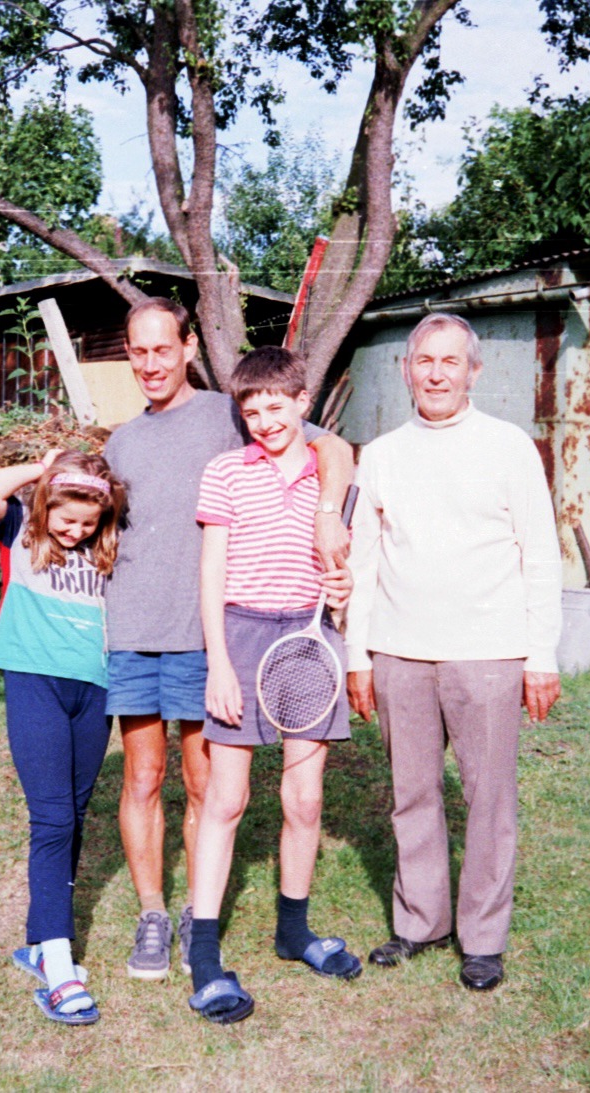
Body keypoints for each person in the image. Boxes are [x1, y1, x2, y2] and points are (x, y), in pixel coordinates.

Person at [103, 299, 352, 981]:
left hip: (266, 637)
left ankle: (261, 925)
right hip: (176, 632)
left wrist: (333, 533)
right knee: (171, 782)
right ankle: (170, 922)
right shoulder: (127, 443)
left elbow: (332, 447)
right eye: (137, 350)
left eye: (162, 348)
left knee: (258, 791)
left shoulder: (226, 412)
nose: (150, 362)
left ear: (186, 346)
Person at [344, 313, 563, 992]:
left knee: (488, 797)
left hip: (489, 653)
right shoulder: (379, 454)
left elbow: (540, 555)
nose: (435, 373)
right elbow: (363, 564)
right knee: (411, 794)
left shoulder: (508, 448)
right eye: (423, 361)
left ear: (473, 371)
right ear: (405, 369)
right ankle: (418, 921)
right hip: (399, 653)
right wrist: (358, 655)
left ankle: (484, 937)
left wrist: (540, 656)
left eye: (450, 361)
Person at [184, 346, 360, 1024]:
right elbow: (211, 573)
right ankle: (204, 953)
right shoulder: (226, 471)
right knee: (226, 798)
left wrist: (340, 588)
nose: (263, 420)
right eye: (250, 409)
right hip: (243, 635)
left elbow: (343, 558)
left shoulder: (328, 470)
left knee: (305, 797)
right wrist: (219, 662)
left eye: (275, 406)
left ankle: (294, 928)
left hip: (310, 639)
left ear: (301, 402)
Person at [0, 449, 129, 1026]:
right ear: (46, 503)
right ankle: (60, 968)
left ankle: (41, 940)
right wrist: (44, 471)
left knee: (76, 814)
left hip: (96, 691)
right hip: (36, 681)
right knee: (53, 819)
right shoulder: (21, 529)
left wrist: (96, 498)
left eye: (88, 522)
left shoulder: (105, 548)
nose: (77, 529)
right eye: (68, 517)